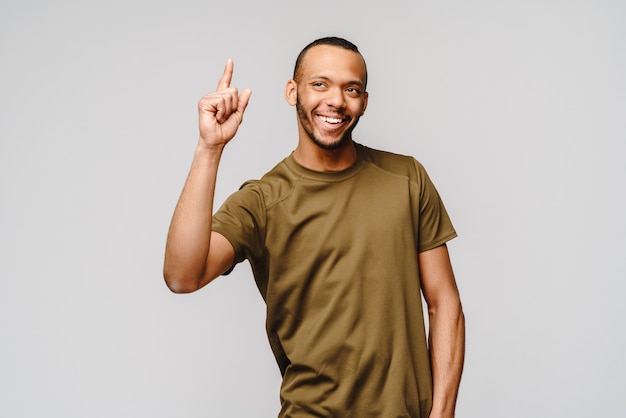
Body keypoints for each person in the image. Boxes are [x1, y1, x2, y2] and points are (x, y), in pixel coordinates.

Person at [164, 36, 465, 418]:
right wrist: (209, 150)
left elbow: (445, 303)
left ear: (364, 102)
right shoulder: (263, 202)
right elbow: (181, 276)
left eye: (350, 89)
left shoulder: (406, 179)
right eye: (319, 84)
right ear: (293, 92)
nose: (336, 100)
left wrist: (442, 414)